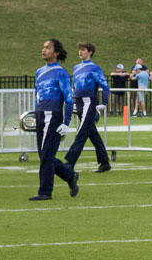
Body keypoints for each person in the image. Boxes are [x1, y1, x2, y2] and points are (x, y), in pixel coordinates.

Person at [30, 40, 80, 201]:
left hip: (53, 115)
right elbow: (37, 95)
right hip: (41, 114)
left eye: (48, 47)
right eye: (43, 46)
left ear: (56, 52)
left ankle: (45, 192)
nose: (43, 50)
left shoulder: (61, 72)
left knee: (46, 155)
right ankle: (69, 175)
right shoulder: (39, 72)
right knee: (45, 154)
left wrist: (66, 123)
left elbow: (69, 98)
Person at [65, 42, 112, 173]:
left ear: (90, 52)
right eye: (79, 49)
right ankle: (104, 162)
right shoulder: (75, 68)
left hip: (89, 102)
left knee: (81, 132)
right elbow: (75, 87)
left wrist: (103, 103)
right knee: (92, 133)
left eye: (83, 50)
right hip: (79, 102)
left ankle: (70, 162)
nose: (80, 52)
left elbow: (105, 86)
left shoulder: (95, 68)